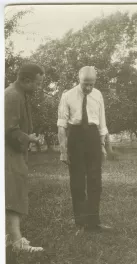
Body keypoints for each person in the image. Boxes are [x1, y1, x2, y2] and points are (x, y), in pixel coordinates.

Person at [57, 66, 112, 231]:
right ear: (78, 79)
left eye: (91, 84)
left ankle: (94, 222)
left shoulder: (98, 95)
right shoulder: (67, 96)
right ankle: (80, 223)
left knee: (95, 181)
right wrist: (63, 150)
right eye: (85, 84)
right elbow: (61, 126)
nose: (88, 88)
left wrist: (102, 145)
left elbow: (102, 122)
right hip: (75, 137)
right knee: (78, 182)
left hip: (93, 137)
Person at [5, 63, 44, 252]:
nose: (38, 87)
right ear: (26, 80)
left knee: (13, 190)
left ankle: (9, 236)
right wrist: (29, 139)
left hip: (13, 151)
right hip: (7, 152)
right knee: (13, 192)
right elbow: (9, 130)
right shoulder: (12, 96)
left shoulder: (20, 94)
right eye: (37, 83)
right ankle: (16, 241)